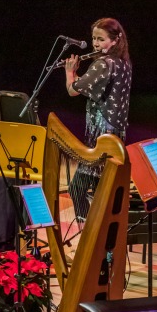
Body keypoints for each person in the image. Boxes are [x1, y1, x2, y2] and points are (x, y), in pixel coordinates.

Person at [64, 17, 132, 219]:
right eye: (94, 38)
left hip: (100, 139)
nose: (95, 43)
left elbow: (73, 90)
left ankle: (89, 233)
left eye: (101, 39)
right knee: (104, 193)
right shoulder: (123, 63)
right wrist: (78, 76)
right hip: (115, 138)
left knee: (76, 189)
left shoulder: (103, 63)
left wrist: (70, 72)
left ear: (115, 40)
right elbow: (89, 85)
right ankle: (101, 236)